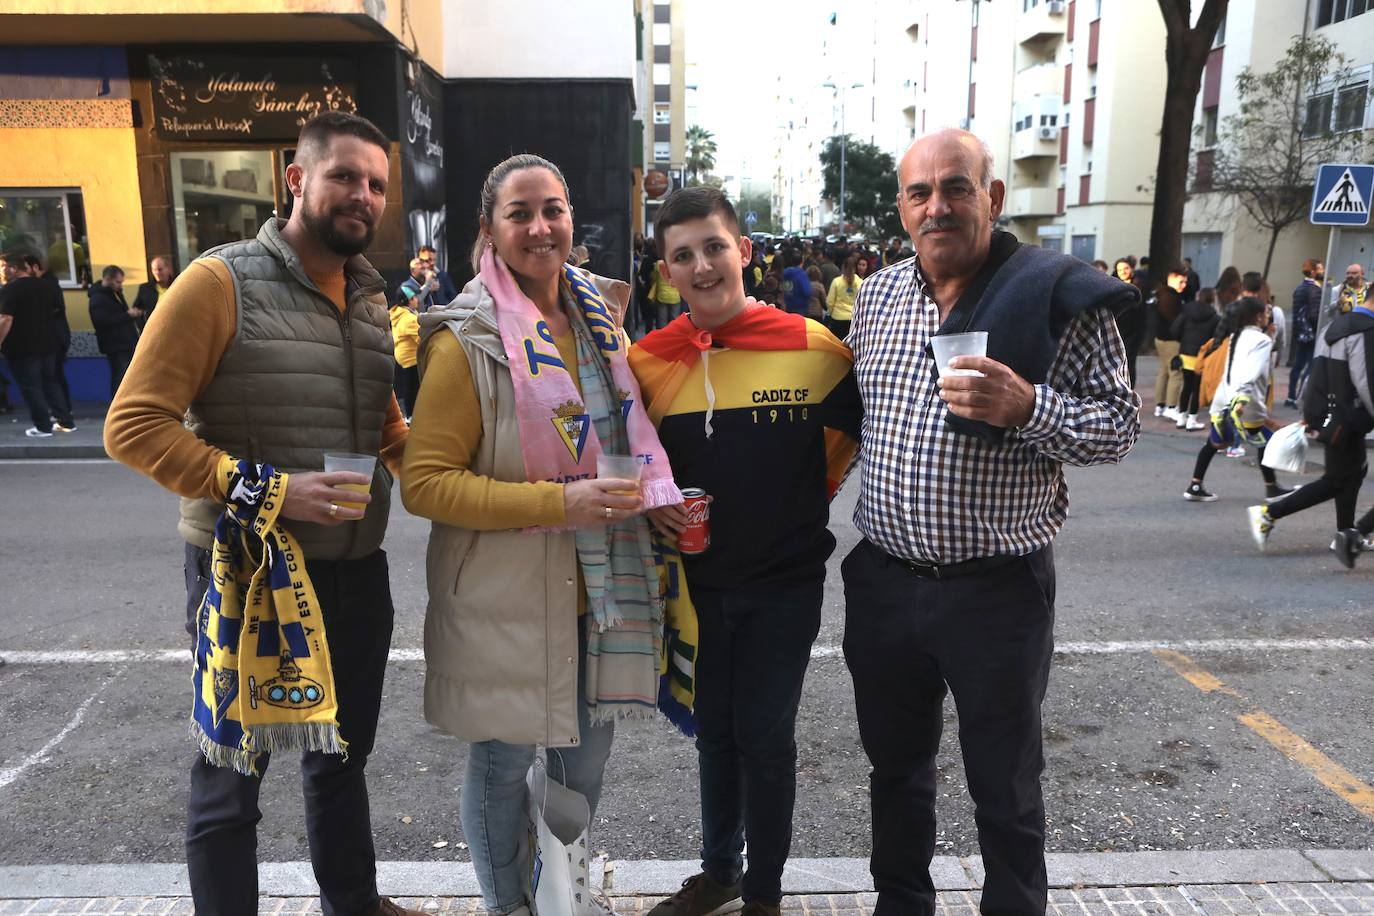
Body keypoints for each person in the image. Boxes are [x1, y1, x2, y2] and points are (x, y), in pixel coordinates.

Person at [104, 112, 419, 916]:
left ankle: (353, 902)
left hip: (356, 569)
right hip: (246, 572)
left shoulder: (371, 301)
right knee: (232, 771)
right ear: (296, 177)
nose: (363, 195)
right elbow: (133, 426)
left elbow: (385, 430)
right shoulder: (219, 282)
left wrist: (467, 477)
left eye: (377, 184)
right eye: (345, 175)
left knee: (341, 754)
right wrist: (269, 491)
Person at [843, 128, 1139, 916]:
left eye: (957, 188)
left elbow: (1117, 426)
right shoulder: (876, 298)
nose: (937, 206)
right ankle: (901, 904)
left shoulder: (1055, 295)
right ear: (902, 209)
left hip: (996, 591)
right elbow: (849, 423)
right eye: (919, 193)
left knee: (1004, 783)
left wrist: (1028, 406)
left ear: (993, 197)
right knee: (895, 770)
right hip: (885, 578)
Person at [400, 154, 680, 916]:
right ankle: (508, 907)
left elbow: (629, 439)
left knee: (581, 772)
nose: (539, 226)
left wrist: (660, 498)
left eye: (551, 209)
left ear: (571, 219)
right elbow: (424, 482)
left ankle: (558, 898)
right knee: (500, 767)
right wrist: (564, 504)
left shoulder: (601, 320)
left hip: (601, 585)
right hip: (506, 590)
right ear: (489, 228)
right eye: (519, 212)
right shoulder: (469, 340)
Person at [628, 187, 861, 916]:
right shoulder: (645, 363)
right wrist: (650, 512)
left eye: (714, 247)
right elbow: (629, 463)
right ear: (666, 272)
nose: (701, 266)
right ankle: (721, 870)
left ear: (745, 253)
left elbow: (845, 447)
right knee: (716, 733)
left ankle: (763, 893)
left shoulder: (815, 348)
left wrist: (792, 505)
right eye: (683, 255)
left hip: (786, 584)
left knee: (766, 736)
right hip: (694, 588)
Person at [1250, 292, 1374, 568]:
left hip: (1331, 413)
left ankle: (1346, 534)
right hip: (1349, 416)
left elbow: (1315, 371)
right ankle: (1270, 513)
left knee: (1351, 474)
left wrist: (1310, 411)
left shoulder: (1335, 326)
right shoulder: (1365, 330)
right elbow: (1365, 380)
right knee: (1337, 479)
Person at [1182, 297, 1288, 502]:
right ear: (1258, 316)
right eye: (1266, 312)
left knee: (1213, 443)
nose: (1268, 315)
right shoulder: (1261, 340)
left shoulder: (1237, 336)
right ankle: (1272, 488)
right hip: (1244, 404)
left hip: (1225, 399)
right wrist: (1243, 399)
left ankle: (1195, 485)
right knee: (1264, 442)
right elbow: (1252, 370)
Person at [0, 251, 75, 437]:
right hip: (49, 344)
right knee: (51, 382)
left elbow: (6, 319)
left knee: (31, 386)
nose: (1, 272)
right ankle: (66, 421)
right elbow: (56, 310)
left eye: (2, 267)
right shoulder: (47, 286)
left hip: (22, 347)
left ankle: (43, 427)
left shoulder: (10, 289)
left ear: (13, 268)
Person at [23, 253, 72, 406]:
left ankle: (64, 410)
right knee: (51, 376)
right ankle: (62, 410)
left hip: (55, 338)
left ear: (35, 267)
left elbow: (56, 309)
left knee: (54, 376)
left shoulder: (48, 284)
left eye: (25, 268)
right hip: (50, 337)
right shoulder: (45, 283)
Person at [88, 265, 141, 395]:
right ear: (107, 279)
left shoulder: (114, 293)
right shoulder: (98, 298)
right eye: (118, 282)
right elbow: (102, 321)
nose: (120, 285)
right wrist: (128, 315)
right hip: (115, 344)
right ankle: (118, 409)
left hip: (124, 342)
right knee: (120, 377)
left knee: (127, 377)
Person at [1172, 286, 1219, 430]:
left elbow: (1175, 329)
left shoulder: (1187, 311)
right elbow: (1215, 338)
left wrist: (1183, 342)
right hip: (1201, 355)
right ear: (1212, 299)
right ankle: (1192, 418)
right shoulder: (1215, 317)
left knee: (1186, 386)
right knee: (1196, 388)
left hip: (1185, 352)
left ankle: (1181, 417)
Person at [1152, 267, 1187, 420]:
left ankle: (1160, 405)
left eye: (1185, 281)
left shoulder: (1162, 294)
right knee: (1175, 372)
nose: (1184, 284)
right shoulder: (1170, 297)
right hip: (1171, 340)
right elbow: (1175, 320)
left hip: (1161, 338)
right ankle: (1171, 406)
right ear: (1171, 279)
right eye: (1181, 281)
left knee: (1164, 372)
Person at [1113, 258, 1146, 387]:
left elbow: (1142, 311)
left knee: (1130, 361)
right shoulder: (1113, 285)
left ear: (1131, 268)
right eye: (1120, 269)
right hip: (1117, 328)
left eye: (1126, 268)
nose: (1123, 272)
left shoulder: (1140, 285)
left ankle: (1130, 388)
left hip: (1133, 330)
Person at [388, 292, 420, 420]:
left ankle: (411, 414)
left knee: (412, 385)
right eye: (414, 297)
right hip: (411, 356)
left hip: (404, 354)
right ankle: (411, 415)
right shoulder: (408, 318)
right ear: (409, 301)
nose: (417, 299)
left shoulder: (399, 313)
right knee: (413, 386)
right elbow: (419, 337)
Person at [825, 253, 862, 340]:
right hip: (852, 319)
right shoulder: (861, 282)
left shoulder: (836, 281)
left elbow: (830, 301)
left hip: (837, 318)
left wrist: (830, 312)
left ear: (843, 267)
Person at [133, 255, 176, 328]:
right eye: (154, 270)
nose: (157, 273)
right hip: (154, 330)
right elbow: (136, 310)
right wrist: (144, 329)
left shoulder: (177, 285)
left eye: (160, 269)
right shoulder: (145, 288)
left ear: (168, 269)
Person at [780, 251, 811, 315]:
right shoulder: (802, 274)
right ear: (802, 261)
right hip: (800, 307)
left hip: (788, 305)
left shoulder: (785, 273)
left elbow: (783, 288)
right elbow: (807, 292)